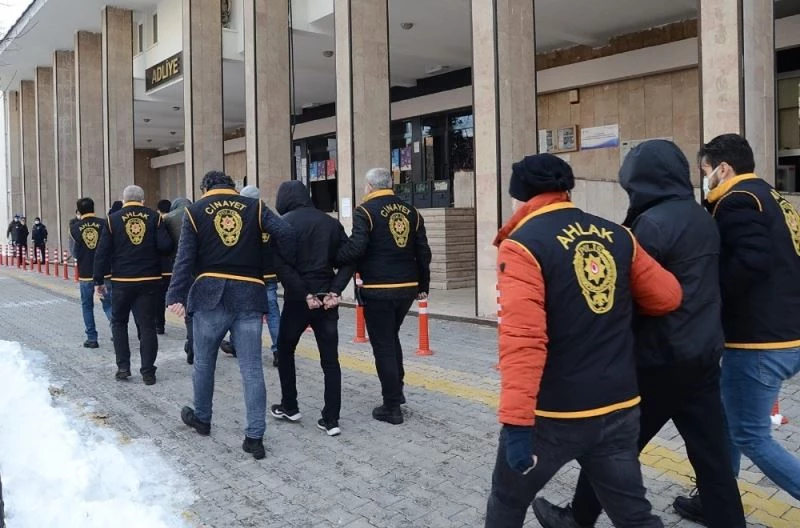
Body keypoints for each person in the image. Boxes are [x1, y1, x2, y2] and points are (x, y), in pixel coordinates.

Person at [533, 141, 745, 528]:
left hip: (657, 360)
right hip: (702, 355)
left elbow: (627, 296)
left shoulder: (651, 225)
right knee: (712, 459)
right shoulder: (702, 217)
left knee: (611, 447)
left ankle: (577, 518)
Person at [484, 153, 682, 528]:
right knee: (633, 514)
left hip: (554, 415)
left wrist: (516, 425)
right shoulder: (618, 235)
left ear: (521, 195)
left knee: (508, 501)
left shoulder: (523, 245)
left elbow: (523, 341)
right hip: (619, 405)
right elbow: (668, 296)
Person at [673, 133, 800, 523]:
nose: (705, 178)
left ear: (723, 168)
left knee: (749, 434)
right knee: (727, 418)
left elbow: (751, 262)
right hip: (783, 331)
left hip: (758, 341)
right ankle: (716, 496)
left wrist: (710, 296)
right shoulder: (772, 197)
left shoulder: (738, 200)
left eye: (706, 170)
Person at [167, 171, 295, 461]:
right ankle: (255, 437)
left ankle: (202, 418)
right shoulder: (255, 207)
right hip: (250, 293)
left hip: (209, 294)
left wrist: (175, 295)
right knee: (252, 369)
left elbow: (184, 258)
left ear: (205, 188)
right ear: (232, 186)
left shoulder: (195, 211)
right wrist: (271, 260)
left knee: (204, 362)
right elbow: (286, 233)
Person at [336, 168, 431, 425]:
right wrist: (423, 284)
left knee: (383, 345)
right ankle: (397, 390)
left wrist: (335, 258)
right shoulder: (411, 212)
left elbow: (357, 247)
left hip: (378, 288)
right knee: (391, 337)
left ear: (370, 186)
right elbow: (423, 252)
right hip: (407, 287)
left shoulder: (365, 211)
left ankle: (391, 406)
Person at [270, 180, 355, 437]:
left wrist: (304, 293)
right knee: (330, 360)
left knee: (285, 350)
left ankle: (290, 405)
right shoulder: (330, 223)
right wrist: (335, 291)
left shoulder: (282, 225)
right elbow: (349, 260)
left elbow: (281, 267)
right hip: (326, 299)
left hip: (298, 300)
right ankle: (331, 419)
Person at [93, 185, 173, 385]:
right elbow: (165, 246)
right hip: (149, 279)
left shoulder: (112, 220)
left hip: (122, 281)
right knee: (147, 325)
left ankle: (123, 367)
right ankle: (148, 372)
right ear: (143, 201)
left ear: (124, 200)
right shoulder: (154, 218)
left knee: (119, 323)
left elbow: (102, 253)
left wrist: (98, 281)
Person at [218, 185, 282, 368]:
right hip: (269, 274)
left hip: (248, 275)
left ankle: (237, 345)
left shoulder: (242, 218)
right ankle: (279, 351)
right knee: (272, 313)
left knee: (242, 312)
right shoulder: (269, 216)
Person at [70, 198, 112, 349]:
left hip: (86, 273)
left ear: (79, 211)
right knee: (108, 304)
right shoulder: (104, 224)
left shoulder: (74, 228)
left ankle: (92, 338)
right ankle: (117, 332)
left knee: (87, 306)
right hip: (105, 272)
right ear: (93, 208)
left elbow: (74, 253)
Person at [163, 197, 194, 364]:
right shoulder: (198, 213)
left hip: (180, 268)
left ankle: (192, 343)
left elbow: (165, 245)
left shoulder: (168, 218)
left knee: (188, 308)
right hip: (201, 270)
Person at [155, 199, 172, 335]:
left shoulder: (159, 222)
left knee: (159, 299)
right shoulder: (178, 220)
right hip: (176, 267)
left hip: (161, 268)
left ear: (158, 210)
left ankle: (160, 325)